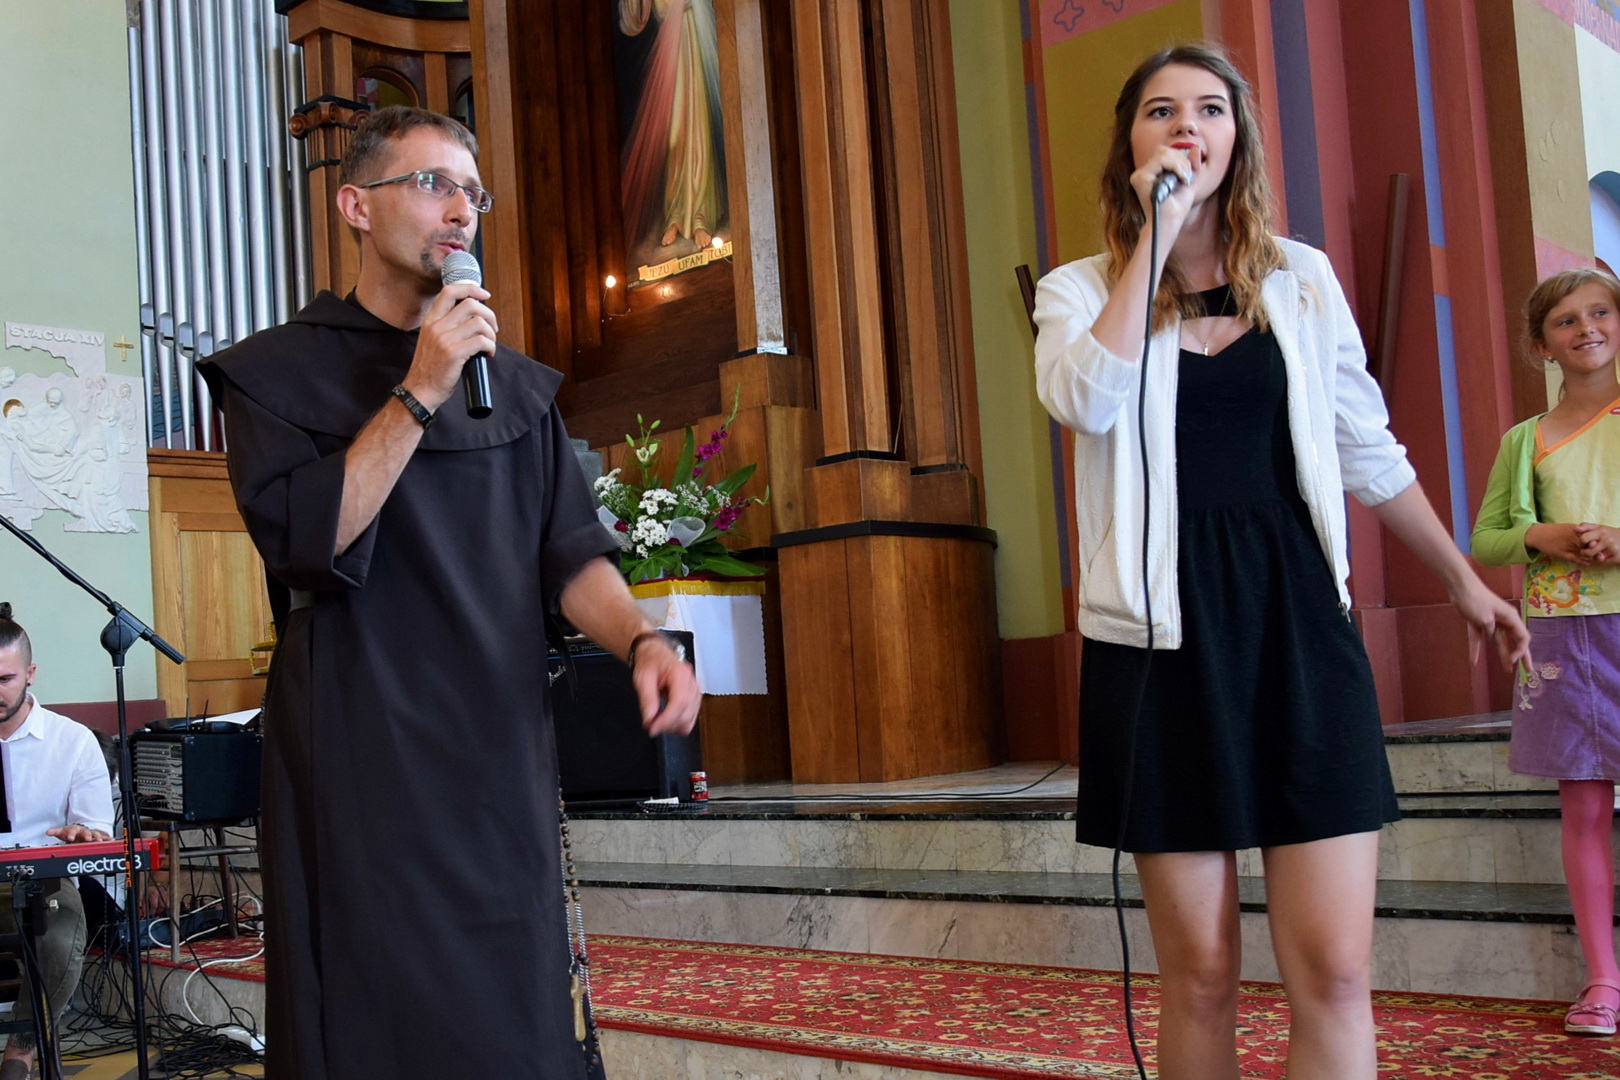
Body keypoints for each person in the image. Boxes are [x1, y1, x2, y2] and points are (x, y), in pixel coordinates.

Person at [1031, 43, 1530, 1078]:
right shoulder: (1079, 292)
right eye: (1162, 110)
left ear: (1238, 138)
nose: (1187, 126)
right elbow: (1083, 400)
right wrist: (1154, 238)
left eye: (1210, 109)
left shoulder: (1300, 279)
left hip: (1299, 626)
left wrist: (1462, 580)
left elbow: (1367, 448)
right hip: (1160, 643)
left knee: (1335, 971)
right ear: (1129, 144)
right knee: (1201, 974)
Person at [198, 106, 701, 1080]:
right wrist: (420, 388)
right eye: (432, 184)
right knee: (372, 1018)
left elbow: (571, 555)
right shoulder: (274, 375)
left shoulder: (515, 388)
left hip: (496, 752)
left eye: (472, 191)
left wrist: (642, 639)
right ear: (356, 205)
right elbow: (308, 542)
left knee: (514, 1017)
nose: (460, 209)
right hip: (360, 748)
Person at [1472, 268, 1620, 1037]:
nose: (1586, 328)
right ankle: (1603, 980)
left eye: (1601, 312)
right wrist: (1540, 535)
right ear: (1541, 345)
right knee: (1584, 807)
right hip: (1562, 638)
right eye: (1566, 320)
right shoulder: (1523, 440)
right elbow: (1486, 538)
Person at [0, 603, 116, 1080]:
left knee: (62, 938)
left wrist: (81, 834)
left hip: (42, 877)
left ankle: (21, 1051)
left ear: (30, 674)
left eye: (4, 679)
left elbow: (98, 830)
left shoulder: (72, 741)